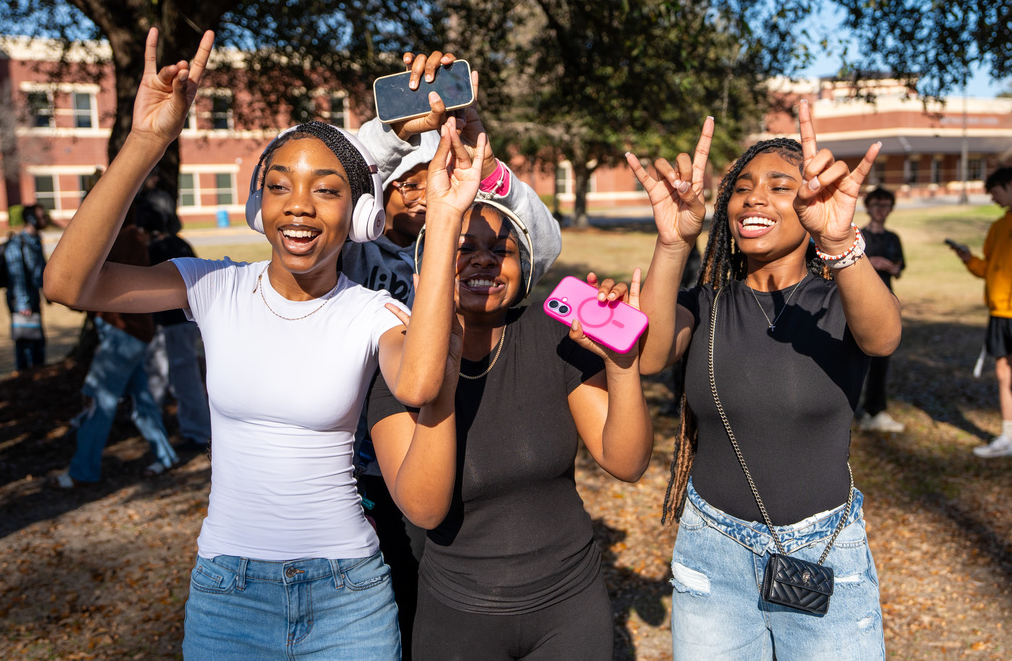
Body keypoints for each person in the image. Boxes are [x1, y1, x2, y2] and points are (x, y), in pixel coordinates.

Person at [43, 28, 482, 659]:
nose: (298, 207)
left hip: (348, 595)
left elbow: (417, 384)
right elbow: (68, 283)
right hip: (229, 595)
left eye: (326, 189)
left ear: (361, 215)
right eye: (279, 185)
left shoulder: (372, 312)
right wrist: (148, 139)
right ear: (257, 205)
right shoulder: (214, 286)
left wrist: (443, 218)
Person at [627, 102, 896, 658]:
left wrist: (841, 244)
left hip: (823, 554)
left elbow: (884, 337)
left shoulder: (837, 299)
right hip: (712, 553)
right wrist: (673, 242)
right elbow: (650, 356)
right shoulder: (704, 305)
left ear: (811, 201)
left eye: (780, 187)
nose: (754, 198)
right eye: (743, 188)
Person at [344, 52, 562, 660]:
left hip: (445, 447)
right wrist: (388, 137)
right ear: (384, 187)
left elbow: (540, 247)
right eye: (409, 181)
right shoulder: (352, 260)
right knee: (386, 600)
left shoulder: (461, 249)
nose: (421, 194)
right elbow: (330, 190)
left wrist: (485, 165)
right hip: (361, 461)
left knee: (426, 586)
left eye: (432, 178)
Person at [367, 201, 652, 661]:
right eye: (463, 249)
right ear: (428, 272)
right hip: (458, 620)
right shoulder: (399, 371)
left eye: (502, 250)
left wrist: (622, 367)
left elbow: (627, 462)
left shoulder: (554, 336)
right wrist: (444, 371)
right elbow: (424, 509)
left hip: (570, 610)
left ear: (524, 269)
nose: (484, 259)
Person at [53, 216, 180, 485]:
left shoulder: (123, 238)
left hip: (124, 333)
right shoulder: (126, 237)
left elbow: (81, 275)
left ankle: (82, 472)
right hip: (128, 331)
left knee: (98, 399)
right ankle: (166, 456)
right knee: (142, 399)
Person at [136, 204, 212, 451]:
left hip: (174, 324)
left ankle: (198, 433)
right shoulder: (181, 244)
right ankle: (157, 423)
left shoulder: (158, 250)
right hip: (187, 322)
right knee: (171, 376)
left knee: (184, 379)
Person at [952, 165, 1012, 457]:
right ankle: (1007, 436)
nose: (992, 198)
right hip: (1000, 313)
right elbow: (989, 269)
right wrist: (968, 259)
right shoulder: (999, 227)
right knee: (1003, 372)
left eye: (995, 191)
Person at [857, 186, 906, 433]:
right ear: (868, 207)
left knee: (880, 361)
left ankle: (874, 410)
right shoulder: (858, 237)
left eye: (885, 206)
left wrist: (893, 268)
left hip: (885, 305)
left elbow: (901, 266)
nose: (881, 210)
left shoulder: (893, 238)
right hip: (859, 305)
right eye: (876, 205)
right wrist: (870, 262)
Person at [5, 204, 48, 370]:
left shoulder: (36, 241)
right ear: (30, 219)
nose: (45, 219)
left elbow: (41, 270)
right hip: (21, 300)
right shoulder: (17, 244)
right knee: (25, 342)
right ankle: (24, 376)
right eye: (41, 216)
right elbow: (17, 277)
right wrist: (23, 303)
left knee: (38, 340)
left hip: (34, 296)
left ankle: (38, 372)